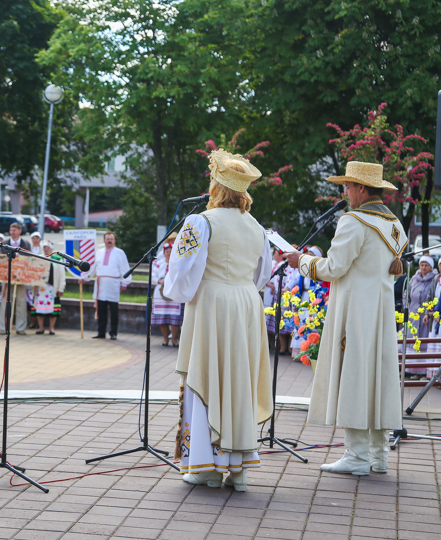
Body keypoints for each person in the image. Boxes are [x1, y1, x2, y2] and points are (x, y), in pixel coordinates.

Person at [286, 161, 407, 476]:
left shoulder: (354, 221)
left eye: (348, 186)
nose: (345, 192)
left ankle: (355, 456)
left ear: (362, 188)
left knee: (355, 376)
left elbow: (334, 267)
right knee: (377, 378)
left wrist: (302, 262)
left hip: (356, 311)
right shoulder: (394, 223)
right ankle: (378, 457)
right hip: (381, 313)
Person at [163, 150, 272, 492]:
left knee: (208, 378)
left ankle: (206, 467)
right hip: (245, 304)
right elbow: (263, 273)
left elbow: (181, 272)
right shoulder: (257, 227)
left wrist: (179, 291)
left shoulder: (201, 221)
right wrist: (242, 290)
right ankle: (238, 468)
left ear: (215, 185)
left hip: (212, 303)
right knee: (238, 379)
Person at [82, 231, 131, 340]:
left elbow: (125, 268)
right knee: (101, 310)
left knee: (114, 311)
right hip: (101, 285)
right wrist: (85, 278)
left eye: (111, 239)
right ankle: (101, 332)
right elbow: (93, 268)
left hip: (113, 285)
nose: (109, 241)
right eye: (107, 239)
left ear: (114, 240)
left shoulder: (120, 253)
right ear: (104, 240)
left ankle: (113, 333)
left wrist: (125, 282)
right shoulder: (99, 252)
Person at [403, 255, 436, 378]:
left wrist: (428, 311)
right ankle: (411, 369)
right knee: (412, 341)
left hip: (425, 316)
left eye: (426, 265)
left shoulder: (434, 279)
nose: (423, 267)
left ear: (431, 267)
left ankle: (422, 371)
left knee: (423, 342)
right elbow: (407, 295)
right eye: (422, 265)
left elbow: (433, 296)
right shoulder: (413, 279)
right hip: (413, 314)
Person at [0, 222, 31, 334]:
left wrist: (19, 257)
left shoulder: (26, 243)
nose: (12, 232)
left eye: (14, 230)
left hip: (21, 277)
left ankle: (20, 328)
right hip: (7, 276)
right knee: (5, 301)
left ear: (20, 231)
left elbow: (29, 259)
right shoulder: (4, 243)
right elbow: (0, 259)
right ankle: (4, 327)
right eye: (11, 230)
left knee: (21, 301)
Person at [151, 242, 183, 347]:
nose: (169, 253)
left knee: (175, 317)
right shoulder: (158, 263)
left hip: (174, 291)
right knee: (162, 316)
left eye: (171, 251)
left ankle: (174, 339)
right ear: (164, 253)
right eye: (167, 251)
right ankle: (165, 339)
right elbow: (153, 277)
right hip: (160, 292)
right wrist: (160, 282)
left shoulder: (179, 263)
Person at [33, 241, 65, 335]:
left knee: (53, 310)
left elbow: (62, 275)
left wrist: (61, 288)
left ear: (51, 249)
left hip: (52, 287)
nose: (46, 249)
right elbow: (34, 272)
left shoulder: (57, 259)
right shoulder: (39, 258)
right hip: (41, 287)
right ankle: (41, 327)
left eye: (48, 247)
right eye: (44, 247)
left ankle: (51, 328)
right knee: (39, 309)